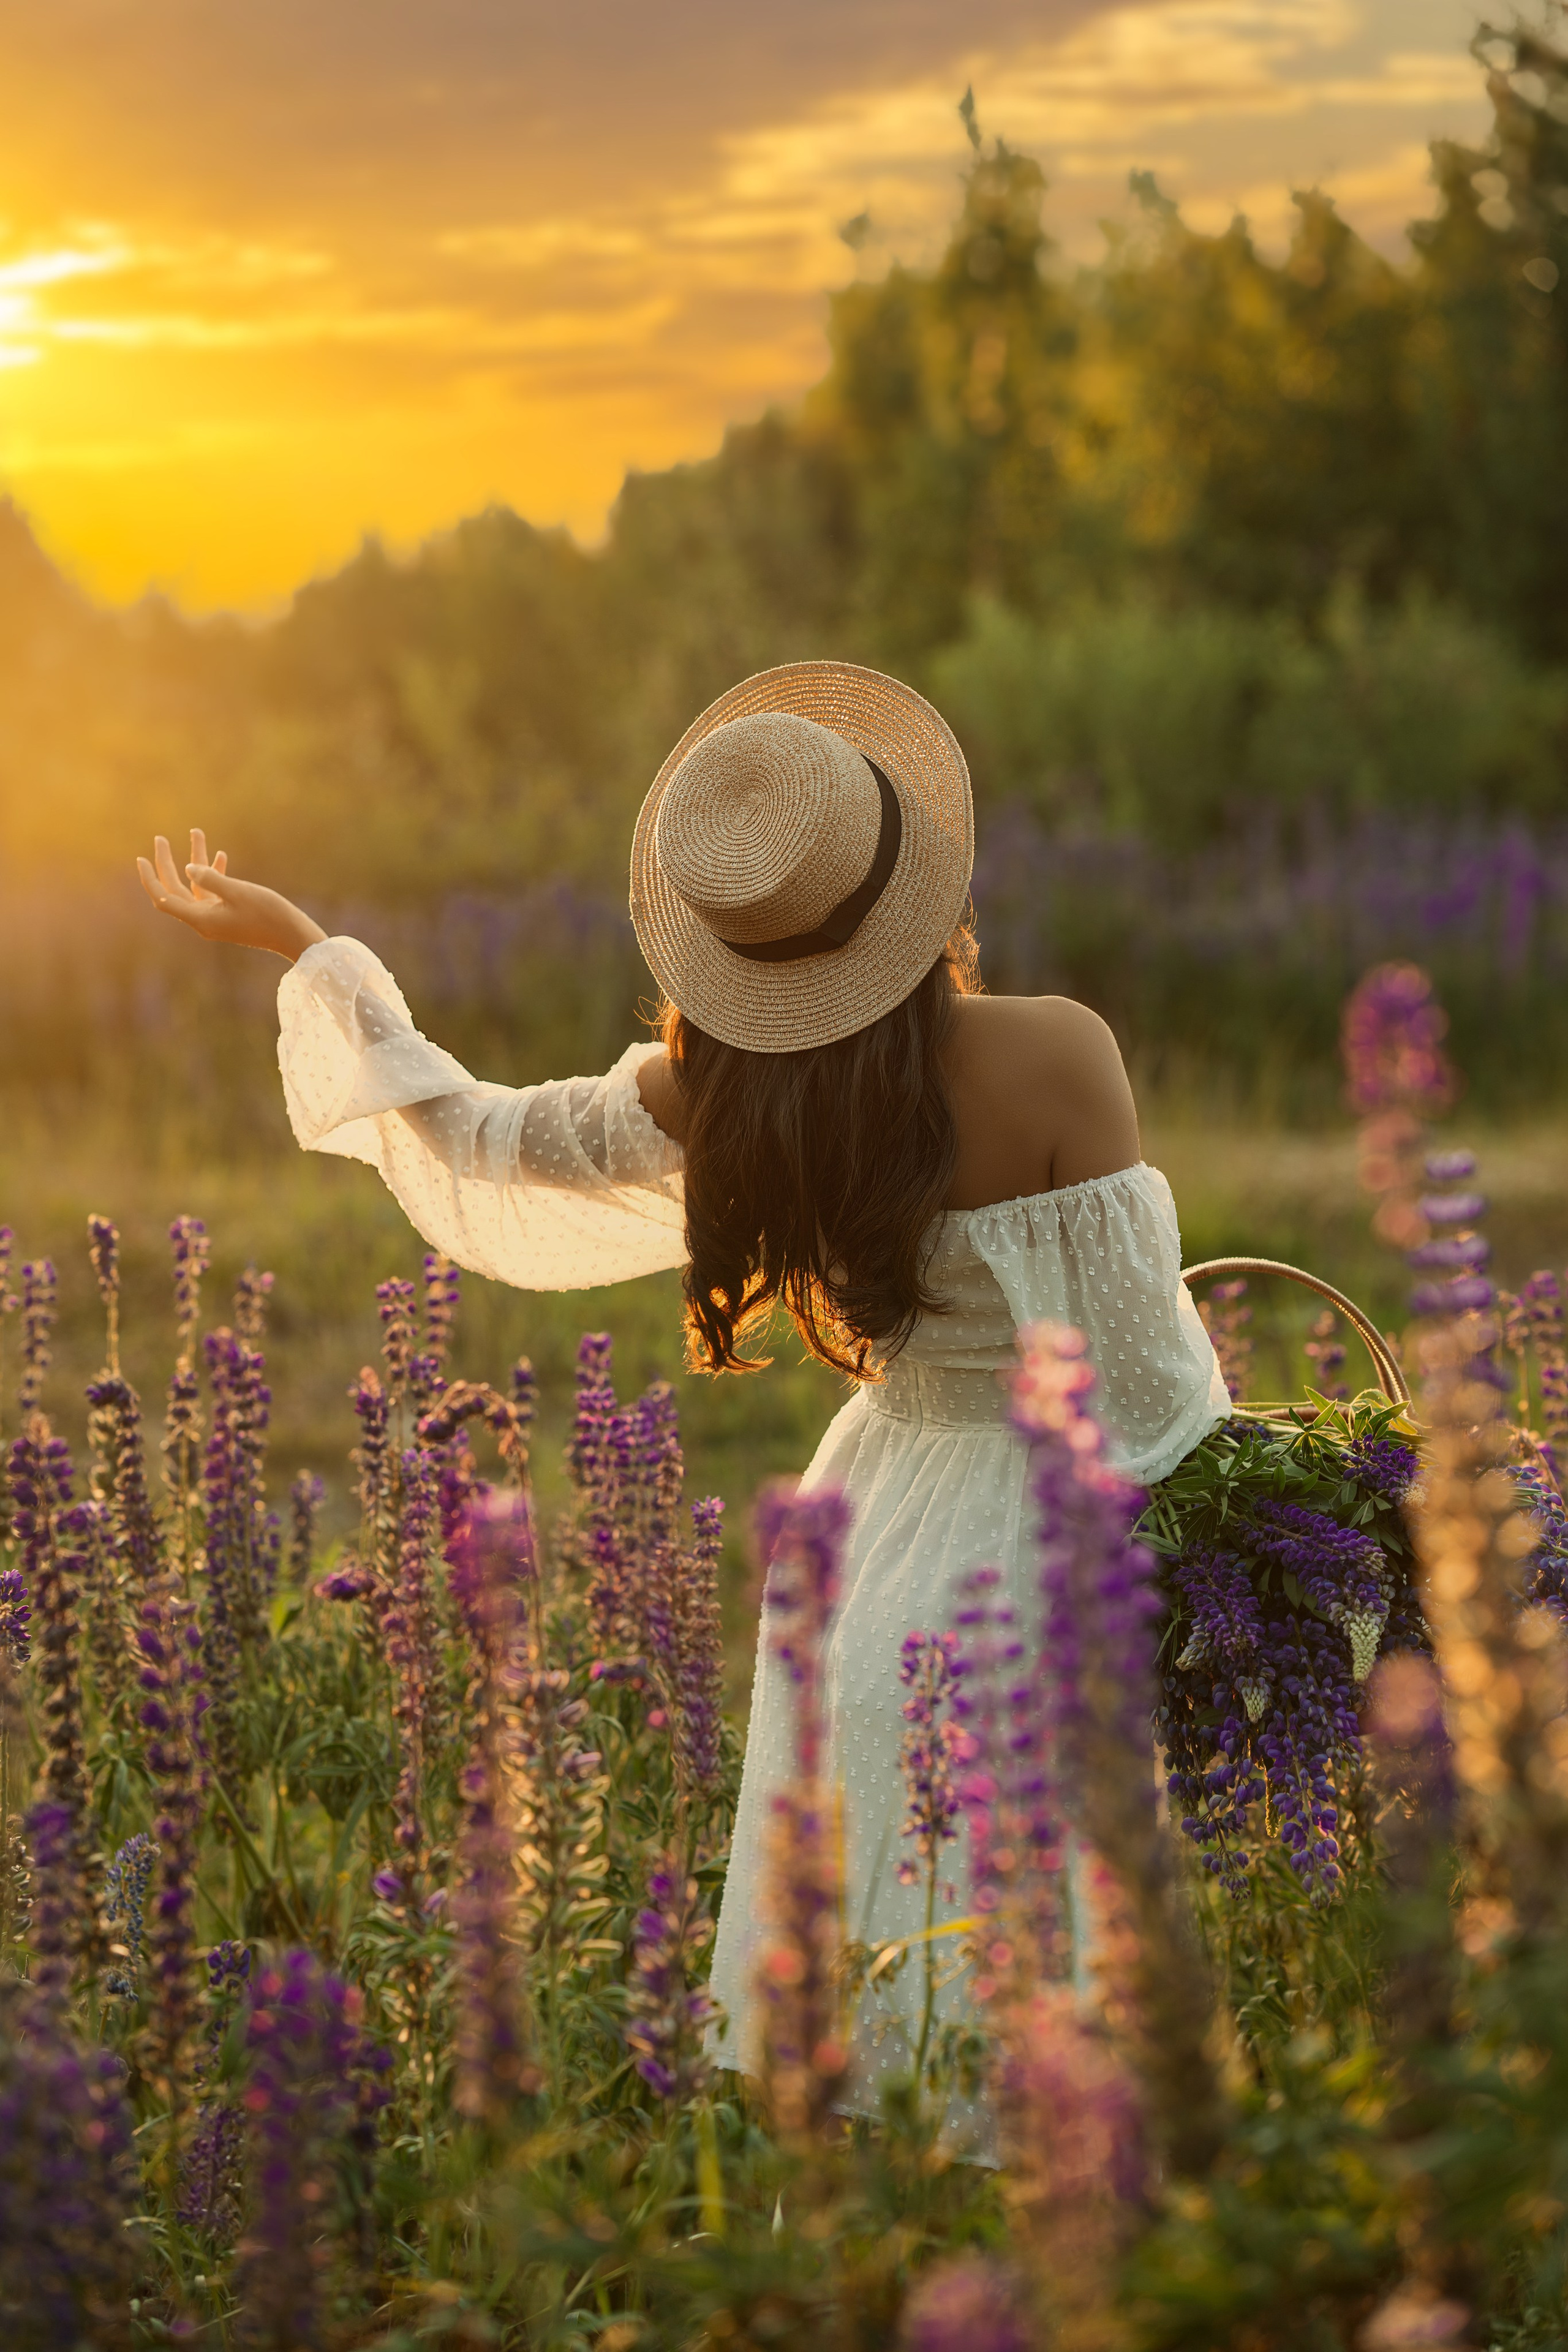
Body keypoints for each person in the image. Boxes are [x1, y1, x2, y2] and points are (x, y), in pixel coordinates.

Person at [138, 657, 1227, 2144]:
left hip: (861, 1554)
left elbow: (469, 1134)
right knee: (1063, 1960)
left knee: (880, 1958)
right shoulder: (1056, 1053)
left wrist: (308, 946)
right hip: (1037, 1556)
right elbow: (1153, 1409)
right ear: (913, 880)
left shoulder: (710, 1096)